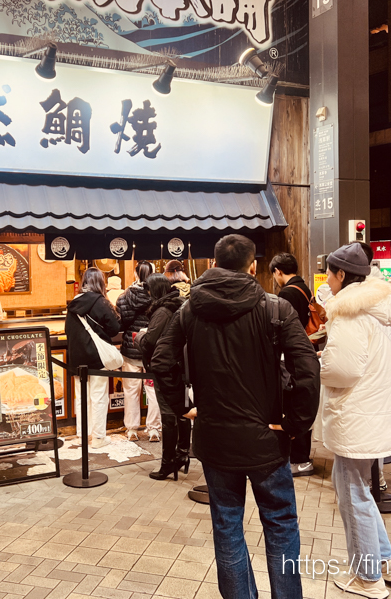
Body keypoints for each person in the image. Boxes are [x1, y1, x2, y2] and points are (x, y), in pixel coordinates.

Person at [151, 234, 320, 599]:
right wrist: (295, 424)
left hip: (214, 439)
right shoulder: (275, 308)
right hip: (267, 439)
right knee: (280, 526)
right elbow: (307, 368)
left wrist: (182, 408)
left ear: (213, 264)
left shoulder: (190, 310)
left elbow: (161, 360)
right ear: (253, 266)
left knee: (227, 528)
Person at [318, 244, 391, 598]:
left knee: (352, 493)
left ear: (340, 274)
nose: (326, 278)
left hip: (355, 414)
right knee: (360, 490)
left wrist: (321, 364)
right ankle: (386, 561)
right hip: (376, 410)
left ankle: (368, 578)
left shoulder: (349, 311)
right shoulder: (382, 306)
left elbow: (343, 370)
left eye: (328, 272)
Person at [135, 274, 190, 479]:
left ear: (155, 291)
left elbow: (150, 342)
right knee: (182, 410)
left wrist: (139, 337)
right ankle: (182, 454)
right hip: (179, 366)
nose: (147, 295)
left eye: (148, 290)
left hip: (165, 367)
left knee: (169, 414)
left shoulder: (163, 310)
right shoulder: (179, 305)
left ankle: (168, 463)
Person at [270, 252, 316, 478]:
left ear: (278, 271)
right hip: (305, 349)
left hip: (292, 356)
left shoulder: (287, 293)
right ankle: (301, 456)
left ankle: (299, 458)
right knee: (299, 399)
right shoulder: (304, 288)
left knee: (293, 402)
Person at [65, 268, 121, 449]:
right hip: (97, 356)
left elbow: (68, 331)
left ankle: (83, 435)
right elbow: (114, 329)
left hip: (76, 357)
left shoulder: (73, 303)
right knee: (98, 396)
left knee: (81, 397)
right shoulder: (101, 302)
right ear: (100, 282)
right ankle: (98, 438)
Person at [116, 261, 161, 442]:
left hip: (131, 349)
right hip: (152, 350)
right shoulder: (158, 295)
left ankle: (132, 430)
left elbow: (121, 323)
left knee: (131, 391)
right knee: (153, 391)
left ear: (135, 274)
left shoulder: (125, 296)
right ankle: (154, 429)